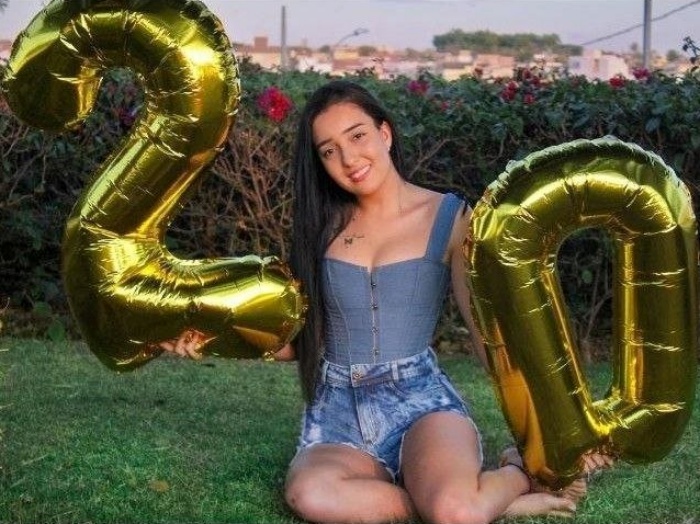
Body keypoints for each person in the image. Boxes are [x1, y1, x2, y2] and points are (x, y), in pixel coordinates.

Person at [160, 79, 603, 524]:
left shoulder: (449, 216)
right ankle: (467, 500)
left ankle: (513, 474)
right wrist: (210, 339)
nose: (348, 159)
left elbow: (488, 339)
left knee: (455, 514)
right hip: (337, 411)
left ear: (384, 133)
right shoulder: (321, 227)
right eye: (329, 150)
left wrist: (551, 434)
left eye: (357, 136)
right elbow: (301, 341)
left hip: (421, 404)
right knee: (309, 495)